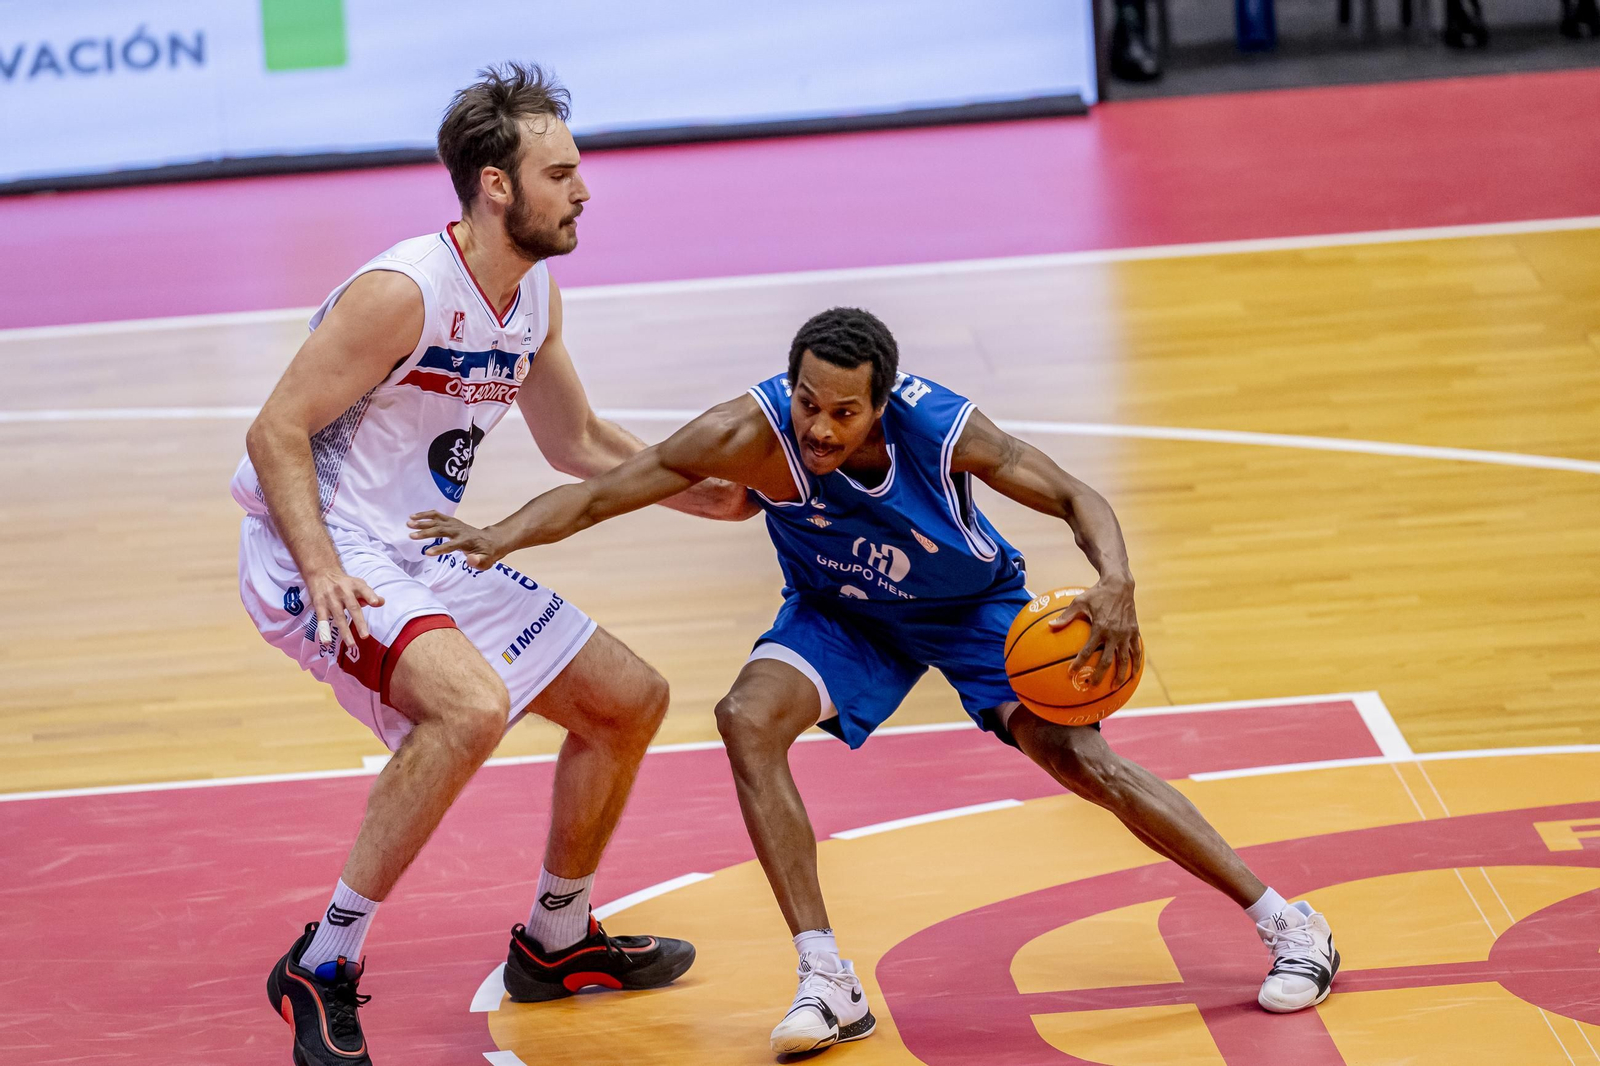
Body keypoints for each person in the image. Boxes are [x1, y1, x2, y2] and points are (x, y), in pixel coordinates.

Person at [408, 307, 1341, 1056]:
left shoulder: (939, 429)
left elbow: (1072, 494)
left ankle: (1289, 923)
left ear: (882, 403)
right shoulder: (751, 430)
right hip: (843, 613)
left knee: (1083, 763)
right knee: (744, 718)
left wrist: (1117, 582)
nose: (818, 425)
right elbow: (611, 488)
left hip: (970, 610)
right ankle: (827, 979)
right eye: (808, 400)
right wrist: (500, 536)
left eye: (843, 411)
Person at [233, 63, 752, 1066]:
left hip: (419, 545)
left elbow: (582, 442)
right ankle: (322, 962)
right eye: (559, 172)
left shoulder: (531, 294)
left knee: (628, 700)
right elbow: (274, 431)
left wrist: (706, 495)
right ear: (495, 183)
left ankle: (556, 939)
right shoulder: (402, 291)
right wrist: (323, 566)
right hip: (320, 546)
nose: (583, 189)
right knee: (467, 707)